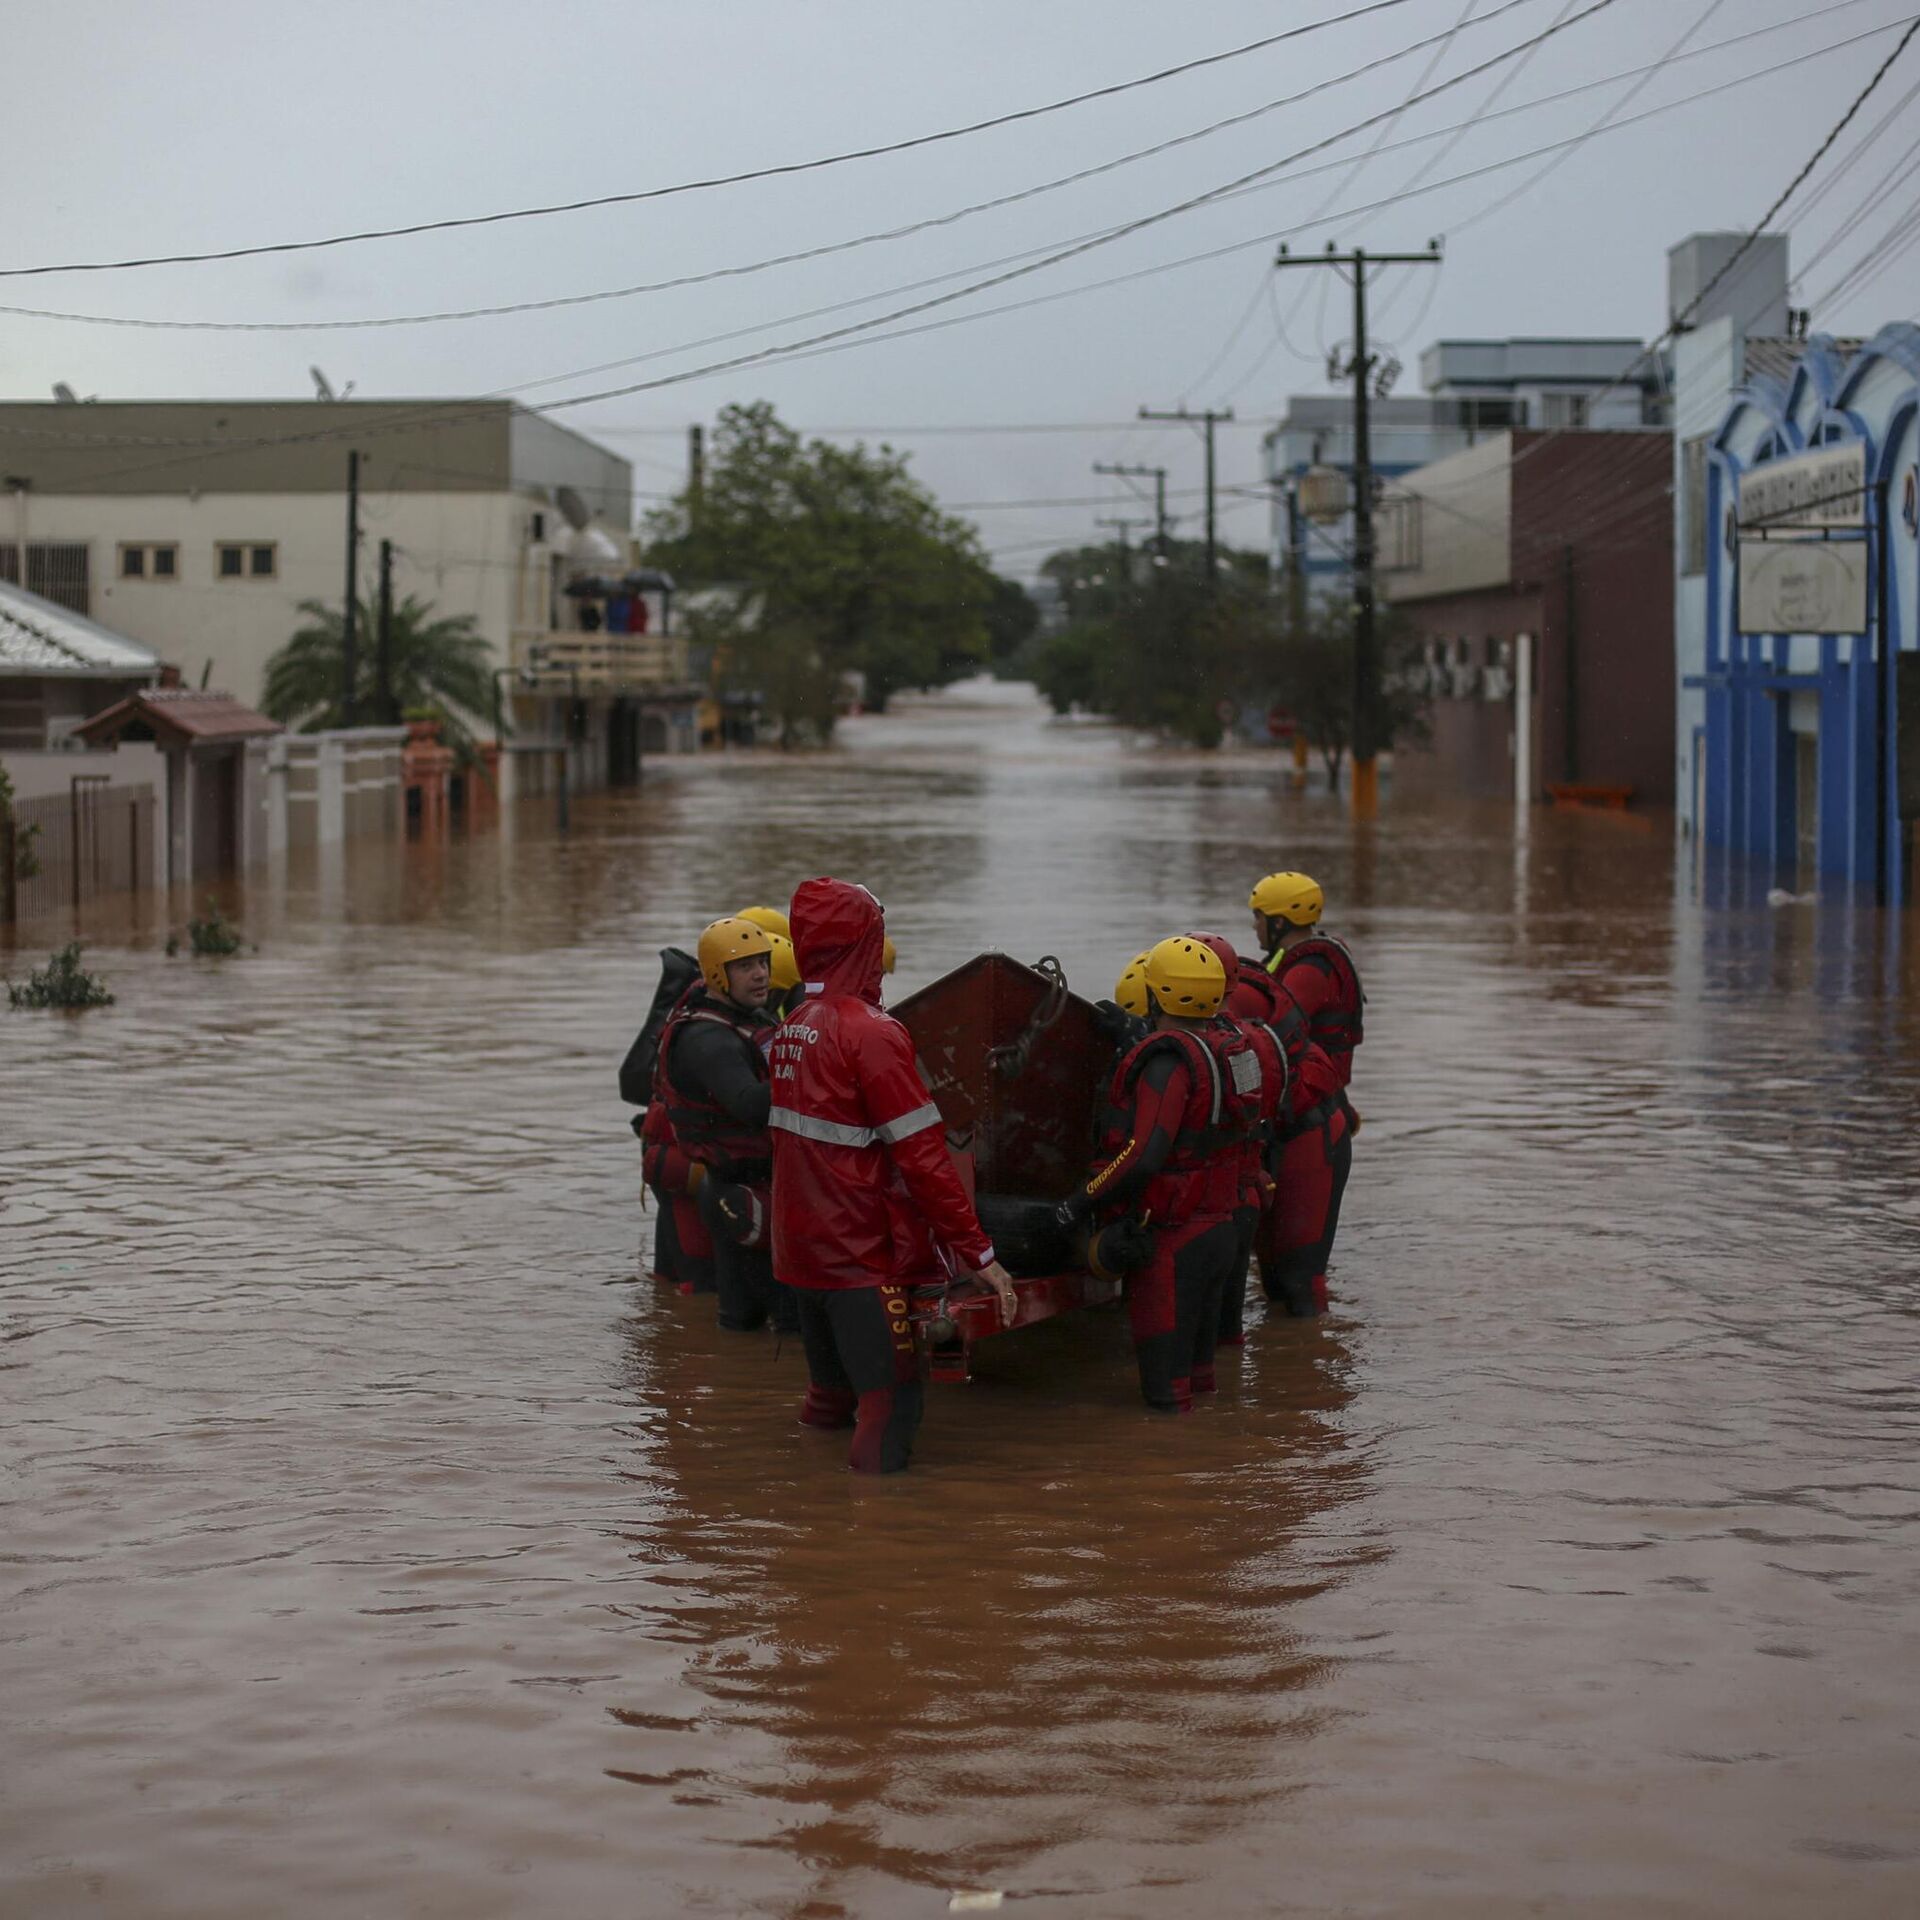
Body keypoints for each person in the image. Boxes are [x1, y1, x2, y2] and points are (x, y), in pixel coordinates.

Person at [768, 878, 1017, 1474]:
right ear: (866, 942)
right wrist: (981, 1258)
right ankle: (874, 1545)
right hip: (861, 1258)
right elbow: (926, 1162)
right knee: (889, 1407)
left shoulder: (792, 1026)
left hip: (801, 1254)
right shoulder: (872, 1034)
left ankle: (797, 1524)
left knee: (829, 1399)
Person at [1056, 937, 1263, 1414]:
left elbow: (1143, 1155)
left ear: (1154, 995)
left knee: (1166, 1404)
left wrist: (1079, 1202)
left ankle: (1172, 1483)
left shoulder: (1168, 1062)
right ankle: (1219, 1478)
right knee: (1203, 1385)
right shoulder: (1234, 1047)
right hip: (1223, 1231)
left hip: (1175, 1243)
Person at [654, 916, 795, 1335]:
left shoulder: (744, 1017)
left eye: (763, 963)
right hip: (737, 1193)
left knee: (743, 1327)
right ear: (717, 973)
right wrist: (808, 1067)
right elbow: (751, 1105)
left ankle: (735, 1389)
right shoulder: (707, 1040)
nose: (761, 975)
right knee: (782, 1323)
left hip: (745, 1190)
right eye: (745, 966)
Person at [1187, 931, 1284, 1349]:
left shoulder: (1191, 1048)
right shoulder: (1250, 1040)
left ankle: (1226, 1409)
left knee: (1203, 1335)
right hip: (1244, 1197)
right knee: (1229, 1332)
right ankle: (1233, 1406)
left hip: (1213, 1204)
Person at [1249, 871, 1364, 1092]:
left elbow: (1275, 1036)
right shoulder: (1291, 958)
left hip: (1312, 1091)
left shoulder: (1309, 971)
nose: (1255, 926)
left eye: (1258, 916)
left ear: (1279, 923)